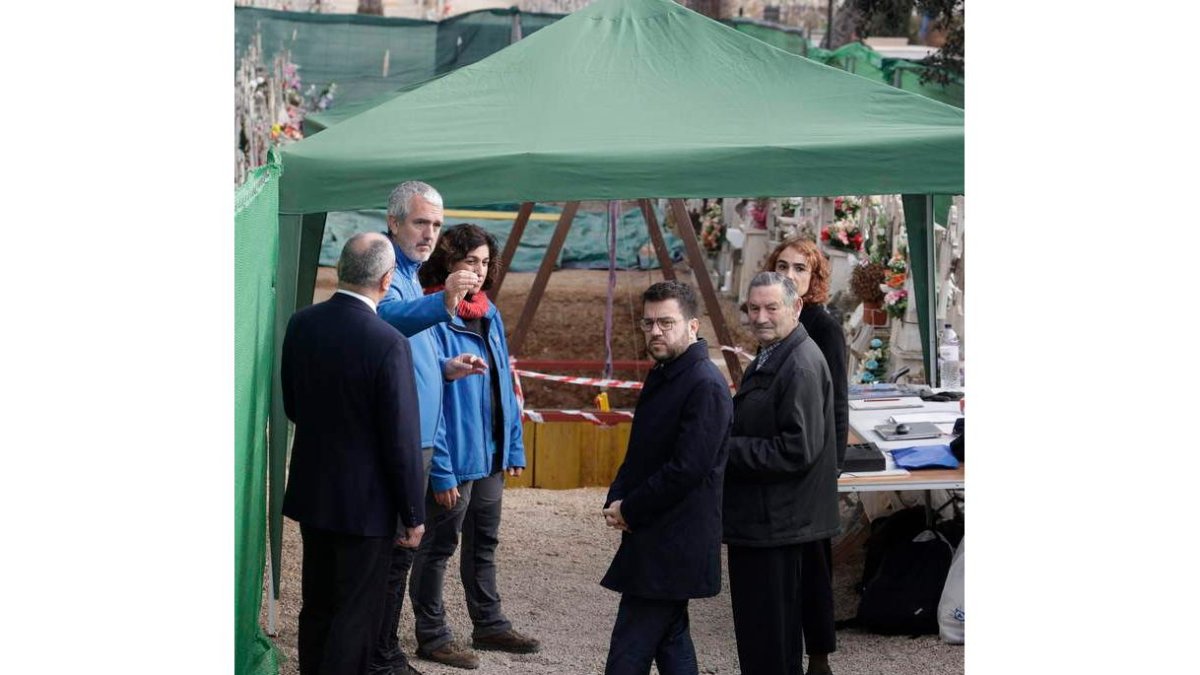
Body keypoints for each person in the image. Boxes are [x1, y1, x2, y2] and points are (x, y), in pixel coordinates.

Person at [281, 232, 427, 675]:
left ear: (341, 270)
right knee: (355, 615)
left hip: (313, 493)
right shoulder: (387, 342)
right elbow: (401, 439)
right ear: (387, 281)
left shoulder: (301, 324)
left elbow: (292, 405)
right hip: (367, 507)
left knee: (317, 606)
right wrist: (413, 512)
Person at [405, 223, 540, 669]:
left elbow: (504, 383)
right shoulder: (429, 314)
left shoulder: (490, 312)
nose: (478, 272)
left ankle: (489, 623)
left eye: (484, 263)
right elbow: (430, 396)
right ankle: (433, 635)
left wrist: (512, 447)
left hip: (490, 458)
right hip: (454, 460)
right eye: (469, 263)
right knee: (438, 548)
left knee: (485, 541)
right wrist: (440, 469)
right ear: (448, 265)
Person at [371, 181, 489, 675]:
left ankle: (384, 650)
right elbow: (385, 320)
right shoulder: (384, 272)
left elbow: (405, 351)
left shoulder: (414, 276)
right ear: (394, 221)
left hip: (417, 440)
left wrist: (443, 368)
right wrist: (441, 302)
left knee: (403, 551)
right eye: (421, 222)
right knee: (396, 554)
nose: (429, 233)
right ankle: (380, 655)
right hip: (401, 442)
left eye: (437, 225)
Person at [600, 280, 734, 675]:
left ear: (693, 326)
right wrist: (617, 499)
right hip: (657, 533)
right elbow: (642, 449)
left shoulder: (705, 384)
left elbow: (687, 470)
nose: (655, 331)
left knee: (629, 651)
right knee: (671, 640)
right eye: (648, 324)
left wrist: (632, 507)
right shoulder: (667, 372)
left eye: (666, 323)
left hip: (674, 538)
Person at [724, 272, 840, 675]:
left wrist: (727, 450)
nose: (760, 316)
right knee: (765, 640)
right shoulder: (776, 352)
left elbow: (797, 449)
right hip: (770, 520)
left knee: (771, 645)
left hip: (777, 524)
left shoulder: (800, 365)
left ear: (796, 308)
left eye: (771, 307)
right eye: (754, 308)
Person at [763, 236, 847, 675]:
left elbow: (837, 403)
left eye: (800, 268)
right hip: (785, 455)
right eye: (783, 265)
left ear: (814, 278)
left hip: (813, 462)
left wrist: (829, 469)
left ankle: (819, 656)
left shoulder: (824, 327)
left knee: (814, 565)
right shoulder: (774, 318)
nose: (789, 274)